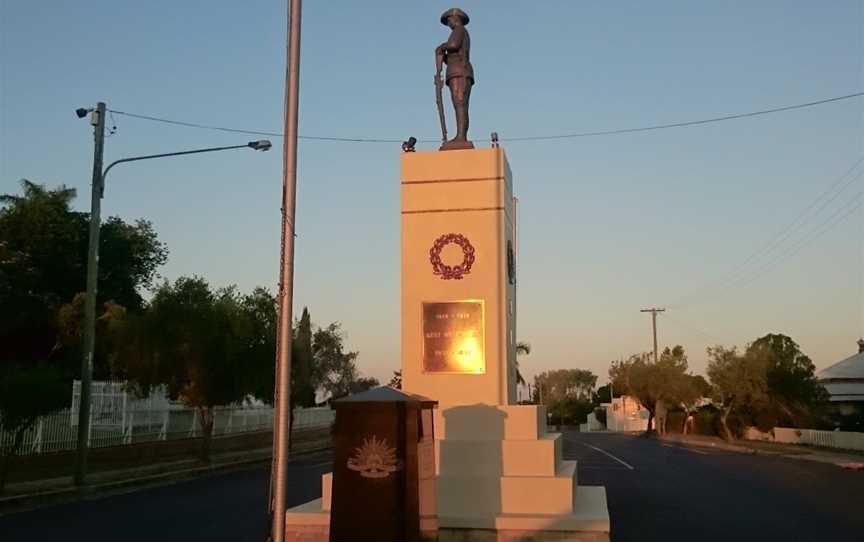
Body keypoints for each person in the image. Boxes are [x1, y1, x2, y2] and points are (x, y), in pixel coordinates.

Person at [436, 8, 474, 148]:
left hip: (460, 72)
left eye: (449, 21)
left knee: (460, 104)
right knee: (460, 104)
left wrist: (442, 46)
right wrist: (444, 56)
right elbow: (452, 56)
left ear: (455, 18)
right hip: (457, 70)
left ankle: (461, 137)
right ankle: (460, 136)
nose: (449, 24)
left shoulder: (459, 30)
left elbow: (453, 45)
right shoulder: (459, 32)